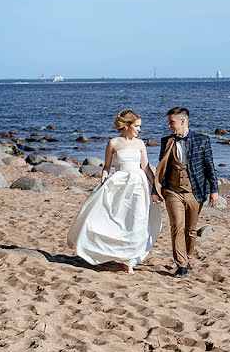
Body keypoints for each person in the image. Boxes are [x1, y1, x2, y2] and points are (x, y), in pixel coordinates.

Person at [67, 110, 162, 272]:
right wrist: (103, 179)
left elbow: (146, 167)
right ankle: (116, 254)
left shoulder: (140, 144)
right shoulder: (113, 143)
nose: (139, 129)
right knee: (117, 219)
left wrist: (155, 188)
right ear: (127, 125)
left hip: (138, 184)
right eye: (137, 126)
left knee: (137, 220)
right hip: (118, 184)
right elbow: (107, 167)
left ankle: (130, 260)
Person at [154, 106, 219, 278]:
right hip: (172, 191)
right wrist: (156, 190)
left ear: (182, 122)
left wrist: (214, 190)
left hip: (195, 192)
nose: (169, 125)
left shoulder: (202, 140)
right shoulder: (166, 141)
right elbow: (161, 167)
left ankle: (188, 258)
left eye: (171, 122)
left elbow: (209, 167)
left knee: (191, 229)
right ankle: (181, 264)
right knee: (177, 227)